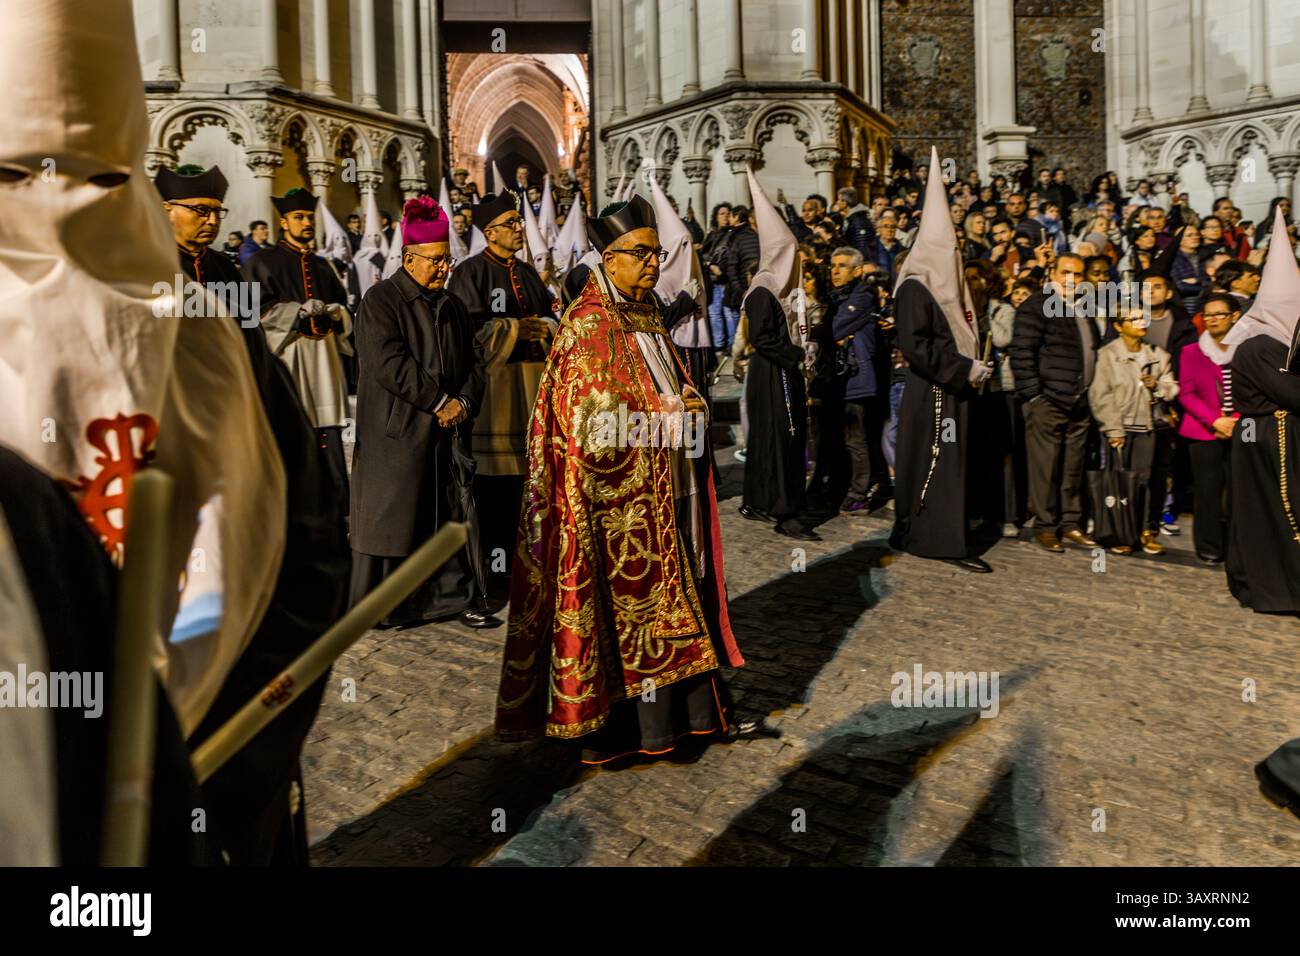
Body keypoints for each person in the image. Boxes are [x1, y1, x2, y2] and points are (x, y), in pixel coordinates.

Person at [494, 193, 747, 764]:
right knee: (628, 608)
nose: (654, 264)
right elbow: (592, 423)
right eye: (641, 254)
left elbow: (669, 383)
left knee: (685, 589)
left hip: (669, 482)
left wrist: (687, 402)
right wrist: (666, 417)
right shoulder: (588, 326)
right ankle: (631, 729)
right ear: (610, 259)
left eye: (656, 254)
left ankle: (693, 717)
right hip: (615, 504)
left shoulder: (649, 312)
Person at [349, 196, 497, 629]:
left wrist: (465, 402)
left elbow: (474, 360)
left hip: (447, 429)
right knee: (397, 518)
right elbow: (388, 362)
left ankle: (455, 599)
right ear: (409, 257)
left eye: (447, 260)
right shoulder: (380, 300)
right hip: (398, 431)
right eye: (434, 261)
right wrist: (438, 401)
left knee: (450, 513)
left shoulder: (451, 304)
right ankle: (391, 607)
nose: (443, 268)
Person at [889, 149, 994, 573]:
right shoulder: (916, 288)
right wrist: (963, 368)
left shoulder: (942, 287)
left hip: (948, 387)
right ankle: (940, 541)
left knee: (948, 462)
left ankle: (926, 530)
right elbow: (917, 346)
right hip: (935, 389)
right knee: (939, 462)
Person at [446, 190, 557, 580]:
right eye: (511, 224)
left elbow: (548, 316)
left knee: (529, 485)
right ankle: (494, 573)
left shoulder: (526, 272)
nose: (518, 229)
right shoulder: (469, 273)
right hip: (495, 395)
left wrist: (545, 327)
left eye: (518, 222)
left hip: (531, 390)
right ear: (489, 232)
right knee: (496, 489)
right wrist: (511, 329)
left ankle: (529, 565)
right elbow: (459, 334)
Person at [243, 187, 353, 488]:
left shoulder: (323, 264)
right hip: (287, 355)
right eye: (298, 217)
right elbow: (252, 311)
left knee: (327, 426)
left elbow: (343, 307)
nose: (306, 223)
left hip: (324, 358)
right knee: (291, 421)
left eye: (309, 217)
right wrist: (295, 315)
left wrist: (334, 314)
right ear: (284, 222)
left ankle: (334, 494)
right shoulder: (261, 263)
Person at [1223, 207, 1300, 614]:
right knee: (1276, 509)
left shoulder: (1279, 343)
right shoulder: (1259, 346)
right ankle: (1277, 588)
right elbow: (1290, 392)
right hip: (1269, 437)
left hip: (1277, 436)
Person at [739, 169, 818, 541]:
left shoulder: (781, 289)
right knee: (777, 437)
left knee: (774, 438)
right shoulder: (763, 290)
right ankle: (783, 509)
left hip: (779, 368)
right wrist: (796, 356)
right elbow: (761, 337)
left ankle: (760, 499)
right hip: (771, 372)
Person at [1010, 253, 1100, 553]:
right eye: (1065, 273)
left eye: (1077, 274)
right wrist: (1034, 395)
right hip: (1048, 400)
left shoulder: (1083, 307)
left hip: (1080, 399)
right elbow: (1022, 353)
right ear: (1052, 272)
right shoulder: (1036, 306)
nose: (1071, 279)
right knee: (1045, 468)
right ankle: (1046, 525)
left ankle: (1070, 523)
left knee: (1073, 466)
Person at [1089, 304, 1179, 556]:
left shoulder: (1157, 355)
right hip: (1120, 428)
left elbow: (1172, 387)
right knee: (1119, 483)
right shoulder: (1107, 355)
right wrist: (1113, 428)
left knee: (1145, 482)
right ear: (1118, 326)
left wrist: (1158, 386)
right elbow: (1100, 394)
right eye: (1133, 319)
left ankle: (1145, 531)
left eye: (1143, 318)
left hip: (1149, 427)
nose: (1141, 323)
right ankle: (1120, 532)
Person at [1177, 293, 1240, 564]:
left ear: (1234, 316)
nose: (1213, 319)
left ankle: (1237, 546)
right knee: (1207, 490)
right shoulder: (1191, 351)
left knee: (1239, 491)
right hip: (1203, 430)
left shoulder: (1248, 348)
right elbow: (1187, 394)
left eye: (1219, 314)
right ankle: (1209, 545)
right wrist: (1215, 420)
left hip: (1241, 428)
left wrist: (1235, 420)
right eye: (1208, 314)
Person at [833, 255, 892, 515]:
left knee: (857, 439)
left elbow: (833, 328)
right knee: (853, 438)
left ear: (857, 270)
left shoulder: (862, 295)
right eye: (832, 266)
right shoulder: (839, 297)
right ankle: (864, 486)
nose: (835, 271)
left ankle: (861, 494)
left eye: (842, 266)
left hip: (859, 378)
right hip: (845, 378)